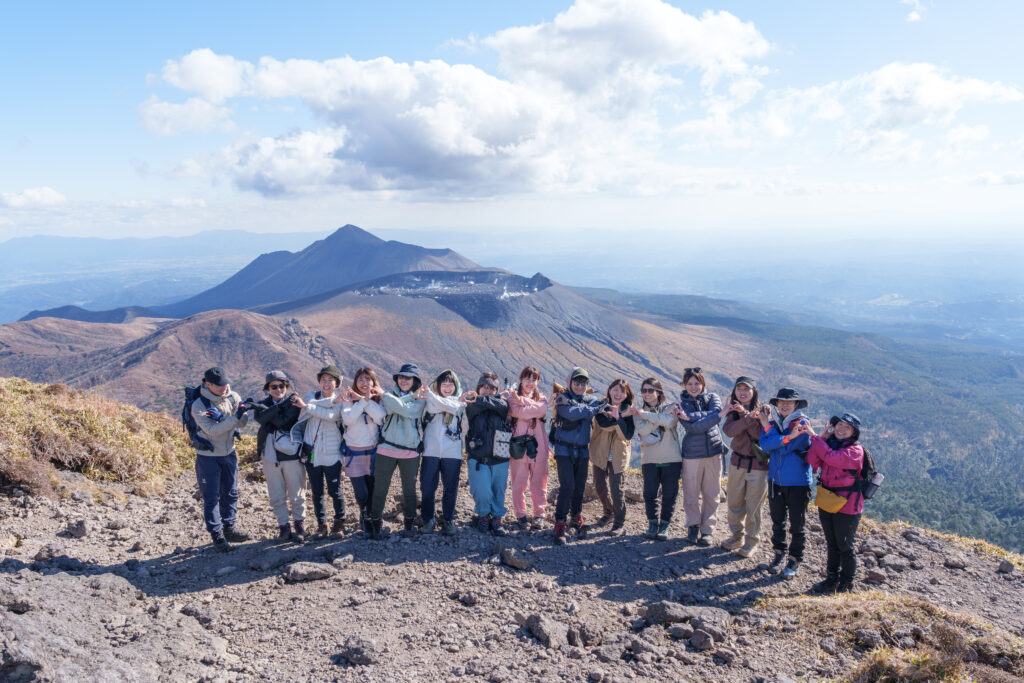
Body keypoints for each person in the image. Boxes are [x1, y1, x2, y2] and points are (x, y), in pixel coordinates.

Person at [190, 366, 252, 551]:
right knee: (211, 497)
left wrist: (242, 415)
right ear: (207, 384)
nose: (224, 387)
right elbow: (212, 431)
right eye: (219, 385)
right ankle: (216, 534)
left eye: (226, 383)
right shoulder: (199, 405)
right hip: (208, 456)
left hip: (229, 452)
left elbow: (242, 423)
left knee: (231, 492)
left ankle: (229, 527)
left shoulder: (233, 396)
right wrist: (233, 419)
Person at [757, 387, 813, 579]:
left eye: (789, 402)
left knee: (797, 524)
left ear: (796, 404)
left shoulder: (803, 424)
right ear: (777, 404)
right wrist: (773, 432)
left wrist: (770, 432)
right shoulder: (774, 423)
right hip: (776, 480)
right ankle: (779, 554)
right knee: (778, 522)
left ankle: (795, 559)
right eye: (781, 402)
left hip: (797, 482)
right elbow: (764, 445)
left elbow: (783, 450)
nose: (785, 405)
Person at [806, 412, 865, 594]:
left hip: (848, 506)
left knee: (845, 545)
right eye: (839, 424)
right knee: (832, 542)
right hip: (829, 500)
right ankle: (831, 578)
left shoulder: (855, 451)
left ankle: (847, 583)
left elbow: (831, 458)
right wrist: (822, 438)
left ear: (853, 433)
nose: (841, 429)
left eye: (846, 427)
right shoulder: (829, 444)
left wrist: (816, 438)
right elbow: (812, 460)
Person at [550, 367, 610, 545]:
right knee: (567, 486)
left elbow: (590, 408)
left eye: (583, 383)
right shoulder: (561, 398)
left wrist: (586, 407)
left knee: (579, 486)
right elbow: (570, 413)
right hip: (563, 450)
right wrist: (590, 409)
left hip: (583, 450)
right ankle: (560, 522)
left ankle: (576, 517)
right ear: (570, 382)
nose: (579, 386)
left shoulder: (590, 399)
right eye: (576, 382)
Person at [368, 363, 426, 538]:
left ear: (415, 381)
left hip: (410, 450)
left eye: (408, 378)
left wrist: (385, 395)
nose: (404, 380)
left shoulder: (420, 398)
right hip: (386, 448)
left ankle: (409, 523)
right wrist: (403, 397)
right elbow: (401, 406)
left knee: (409, 489)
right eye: (401, 377)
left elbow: (406, 411)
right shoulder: (392, 396)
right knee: (380, 488)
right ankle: (375, 522)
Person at [291, 365, 346, 537]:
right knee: (316, 491)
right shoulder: (311, 396)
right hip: (312, 452)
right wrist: (326, 403)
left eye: (330, 380)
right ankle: (322, 524)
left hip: (332, 453)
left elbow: (332, 416)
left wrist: (308, 407)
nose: (326, 383)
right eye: (323, 380)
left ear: (337, 383)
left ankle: (339, 522)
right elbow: (314, 405)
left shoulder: (341, 401)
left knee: (335, 490)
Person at [253, 370, 307, 543]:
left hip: (291, 456)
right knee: (276, 494)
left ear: (286, 386)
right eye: (273, 386)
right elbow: (261, 419)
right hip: (270, 457)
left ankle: (299, 525)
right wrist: (277, 409)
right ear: (267, 388)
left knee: (297, 493)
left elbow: (283, 422)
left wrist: (268, 414)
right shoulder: (269, 404)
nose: (278, 389)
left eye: (282, 386)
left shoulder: (294, 404)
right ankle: (284, 527)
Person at [676, 367, 726, 546]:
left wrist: (691, 417)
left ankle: (707, 530)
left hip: (713, 451)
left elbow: (717, 415)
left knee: (712, 493)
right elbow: (693, 428)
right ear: (684, 385)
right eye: (689, 384)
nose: (693, 387)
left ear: (703, 383)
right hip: (692, 454)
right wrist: (712, 416)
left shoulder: (714, 398)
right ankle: (693, 525)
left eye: (697, 383)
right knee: (691, 493)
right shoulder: (680, 405)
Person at [721, 376, 768, 558]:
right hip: (737, 463)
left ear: (753, 391)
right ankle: (736, 536)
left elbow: (760, 435)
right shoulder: (733, 410)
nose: (742, 392)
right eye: (739, 389)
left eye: (746, 389)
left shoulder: (765, 410)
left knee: (754, 505)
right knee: (734, 502)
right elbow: (729, 431)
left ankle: (751, 541)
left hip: (758, 465)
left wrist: (743, 416)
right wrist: (746, 417)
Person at [631, 377, 681, 541]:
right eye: (644, 390)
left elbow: (671, 421)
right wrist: (656, 416)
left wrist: (647, 415)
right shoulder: (637, 411)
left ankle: (664, 525)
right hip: (650, 459)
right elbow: (643, 429)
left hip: (672, 458)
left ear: (658, 392)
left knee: (669, 494)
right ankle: (653, 523)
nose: (647, 394)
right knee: (649, 494)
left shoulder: (669, 407)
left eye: (650, 390)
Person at [418, 369, 466, 536]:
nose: (447, 387)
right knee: (427, 487)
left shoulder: (460, 402)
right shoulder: (429, 401)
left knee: (450, 487)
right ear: (438, 386)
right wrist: (433, 398)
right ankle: (428, 519)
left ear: (455, 386)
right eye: (443, 384)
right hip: (430, 449)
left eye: (450, 384)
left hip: (452, 451)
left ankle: (448, 520)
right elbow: (435, 405)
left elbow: (454, 407)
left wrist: (432, 396)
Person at [340, 367, 386, 535]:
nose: (364, 383)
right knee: (361, 492)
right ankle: (364, 513)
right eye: (361, 380)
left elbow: (380, 418)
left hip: (374, 452)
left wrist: (366, 401)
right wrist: (362, 402)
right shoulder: (348, 400)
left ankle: (374, 518)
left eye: (368, 379)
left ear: (374, 382)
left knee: (374, 489)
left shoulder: (379, 399)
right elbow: (348, 419)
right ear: (355, 382)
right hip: (354, 453)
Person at [464, 372, 512, 536]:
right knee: (482, 491)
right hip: (478, 458)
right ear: (479, 388)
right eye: (484, 387)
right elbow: (474, 406)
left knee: (499, 491)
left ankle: (497, 518)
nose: (488, 390)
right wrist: (496, 397)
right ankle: (483, 515)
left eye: (492, 388)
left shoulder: (503, 404)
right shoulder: (472, 405)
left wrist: (494, 398)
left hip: (500, 458)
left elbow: (502, 406)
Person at [507, 366, 551, 531]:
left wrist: (523, 401)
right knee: (519, 484)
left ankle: (539, 515)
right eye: (527, 379)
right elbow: (520, 413)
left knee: (539, 483)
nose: (530, 383)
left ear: (537, 382)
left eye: (534, 380)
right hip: (518, 448)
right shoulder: (512, 398)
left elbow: (542, 410)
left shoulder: (542, 398)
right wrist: (527, 406)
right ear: (521, 379)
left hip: (539, 447)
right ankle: (521, 515)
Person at [589, 379, 635, 536]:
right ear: (609, 390)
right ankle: (609, 512)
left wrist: (618, 417)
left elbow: (627, 435)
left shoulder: (629, 410)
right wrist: (620, 417)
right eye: (615, 389)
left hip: (618, 456)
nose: (618, 394)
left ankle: (619, 523)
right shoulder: (601, 406)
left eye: (622, 391)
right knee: (599, 485)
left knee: (617, 490)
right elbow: (603, 425)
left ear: (626, 394)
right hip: (600, 453)